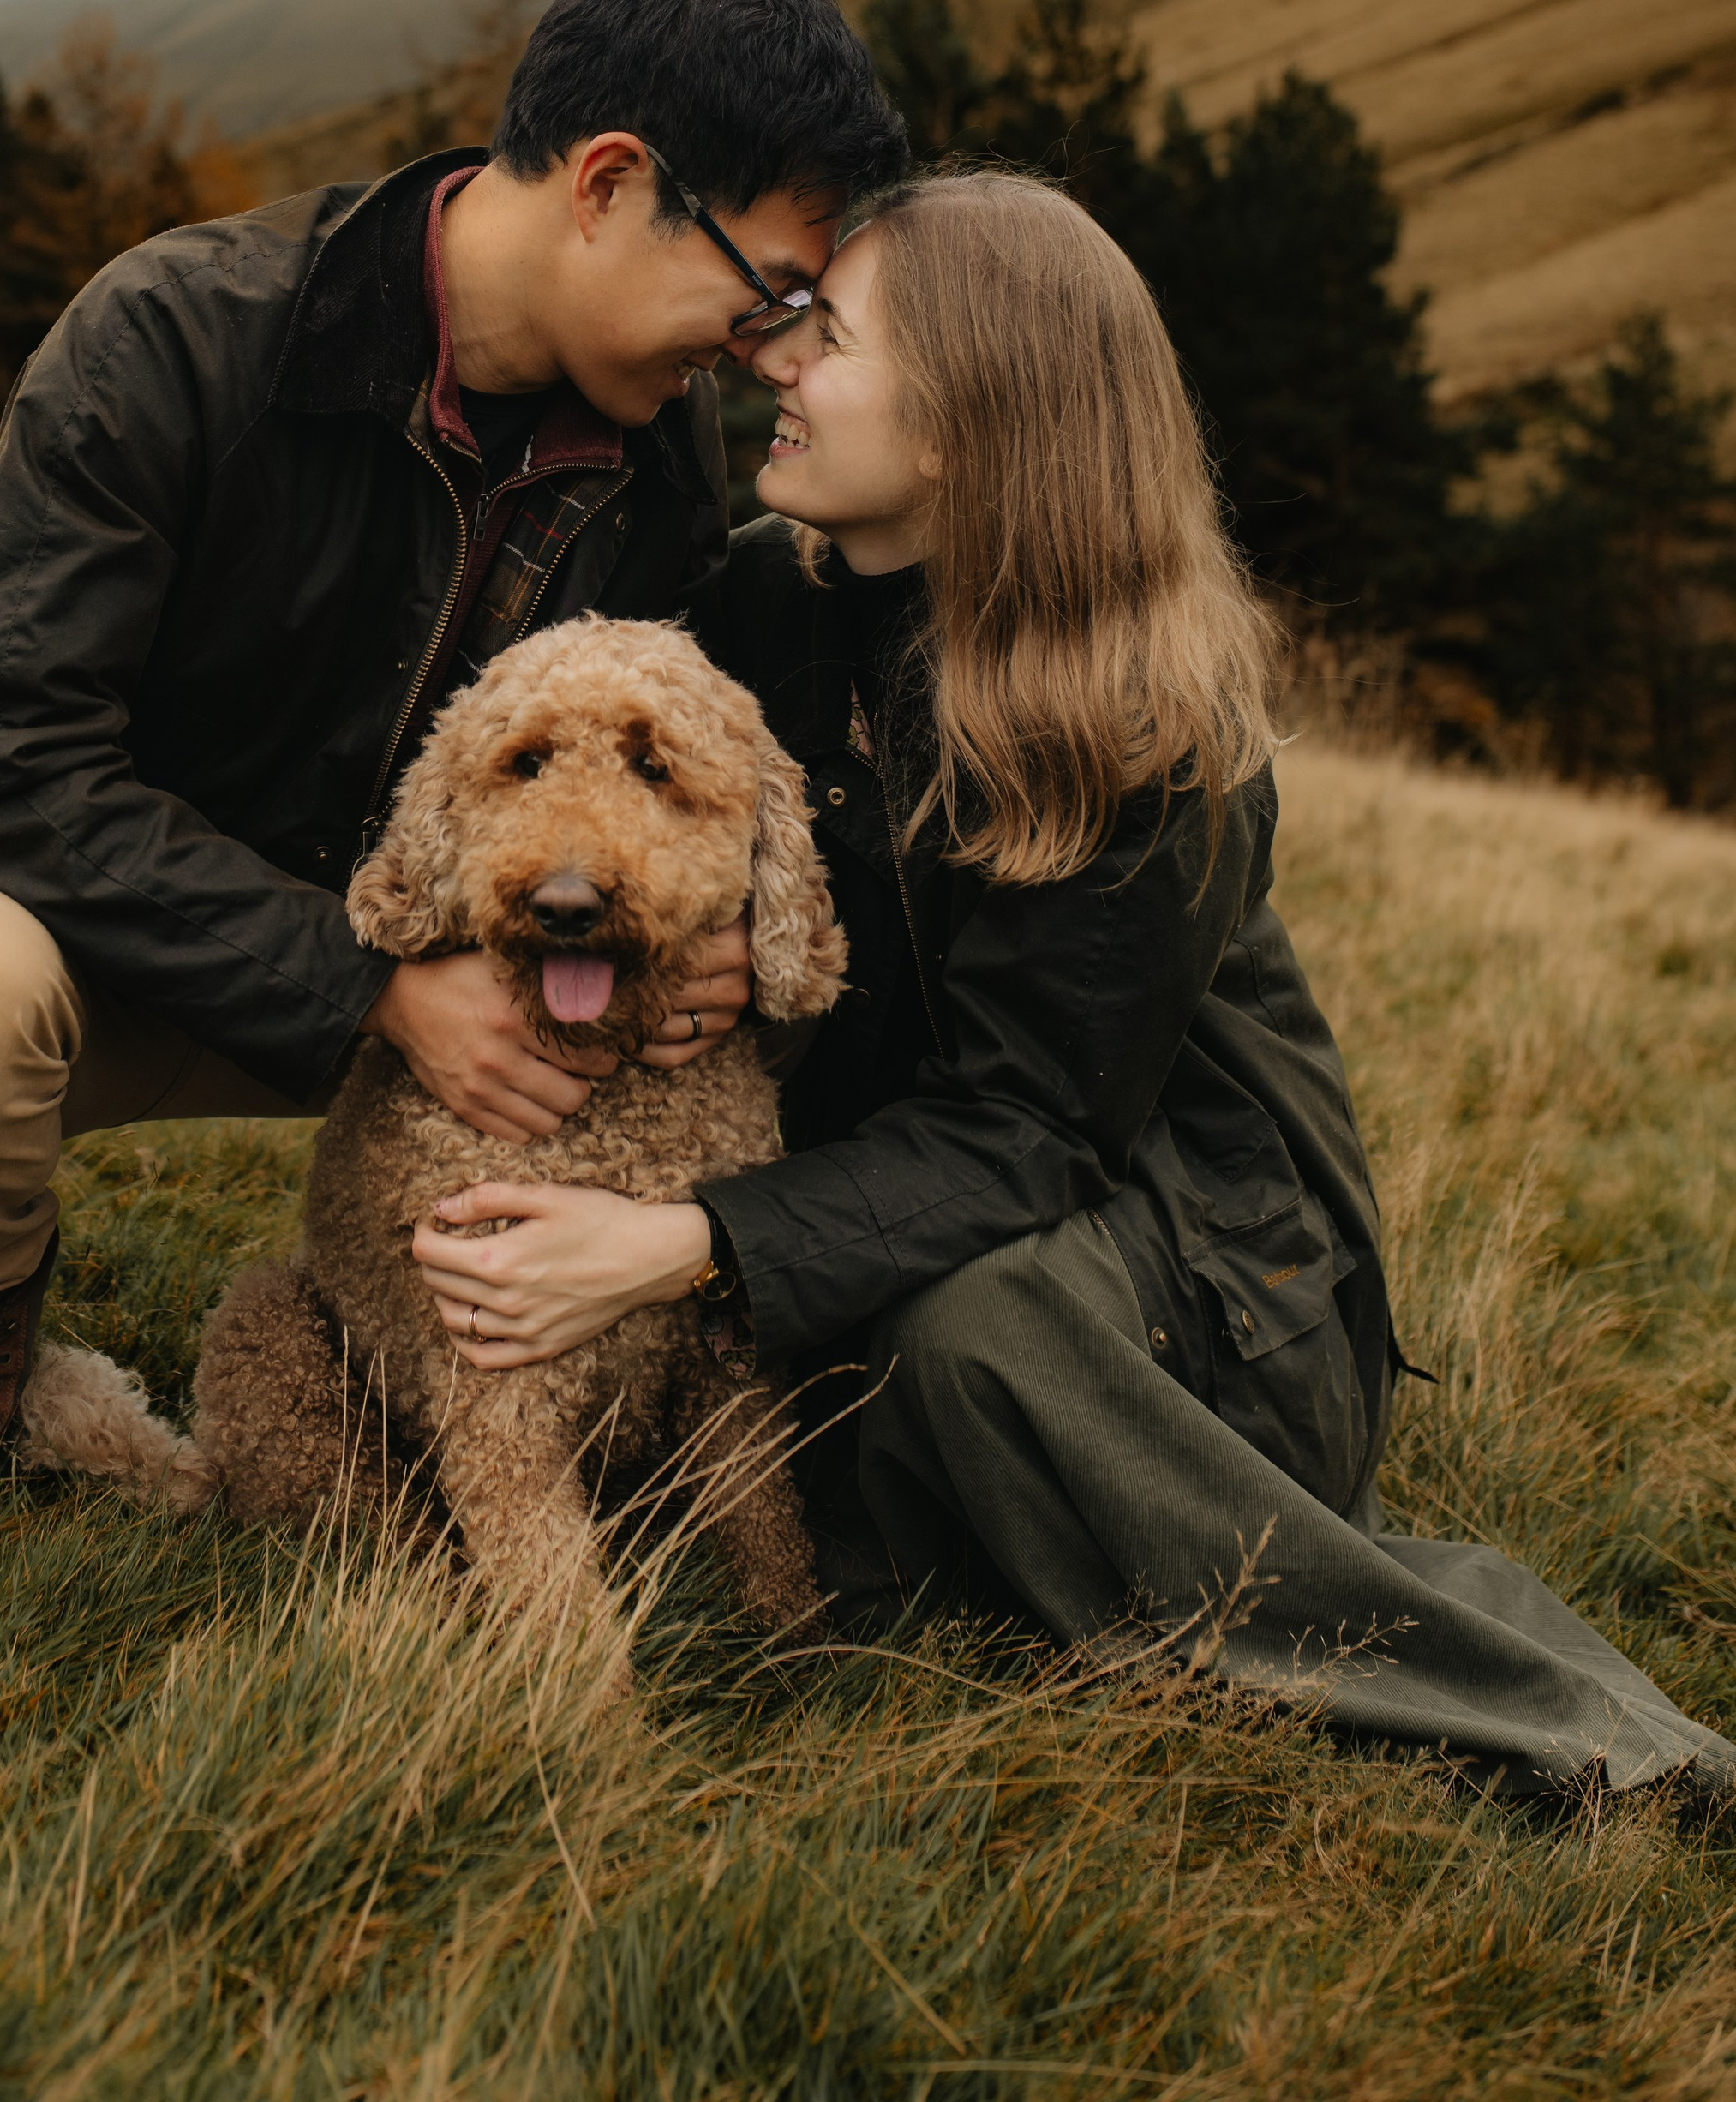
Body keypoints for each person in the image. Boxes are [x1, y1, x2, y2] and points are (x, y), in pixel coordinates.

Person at [411, 171, 1736, 1797]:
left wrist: (679, 1245)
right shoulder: (763, 602)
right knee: (836, 1409)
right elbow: (666, 834)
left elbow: (1028, 1134)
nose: (775, 357)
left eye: (831, 337)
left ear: (967, 425)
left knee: (966, 1332)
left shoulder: (1139, 722)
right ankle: (990, 1553)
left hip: (1201, 1287)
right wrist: (704, 961)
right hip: (899, 1204)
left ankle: (1595, 1744)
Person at [0, 0, 908, 1506]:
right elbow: (0, 764)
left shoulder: (667, 446)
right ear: (611, 184)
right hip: (59, 912)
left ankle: (601, 1406)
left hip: (436, 950)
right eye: (765, 293)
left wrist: (712, 945)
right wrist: (367, 987)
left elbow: (666, 767)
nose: (764, 351)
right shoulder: (174, 333)